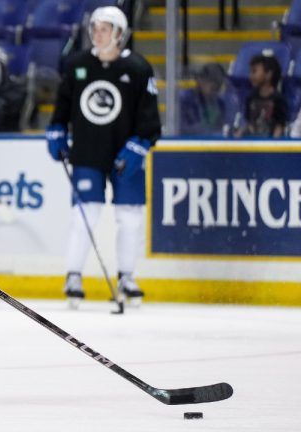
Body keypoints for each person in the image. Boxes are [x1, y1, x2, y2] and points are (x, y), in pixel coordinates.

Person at [45, 6, 161, 308]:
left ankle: (127, 276)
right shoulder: (77, 65)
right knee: (85, 215)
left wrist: (138, 146)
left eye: (105, 29)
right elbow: (62, 106)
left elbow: (150, 121)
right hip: (87, 152)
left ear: (119, 34)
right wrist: (56, 130)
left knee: (130, 218)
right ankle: (73, 275)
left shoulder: (138, 68)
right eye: (95, 28)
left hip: (127, 155)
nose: (98, 34)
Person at [234, 54, 287, 138]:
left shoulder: (278, 99)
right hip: (251, 143)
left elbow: (279, 126)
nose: (250, 76)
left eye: (254, 71)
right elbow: (247, 123)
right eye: (250, 72)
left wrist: (273, 145)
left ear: (268, 74)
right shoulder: (250, 98)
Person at [179, 63, 240, 136]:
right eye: (213, 87)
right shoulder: (184, 99)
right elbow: (181, 129)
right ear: (201, 80)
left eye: (217, 88)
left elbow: (226, 126)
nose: (216, 91)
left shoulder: (218, 102)